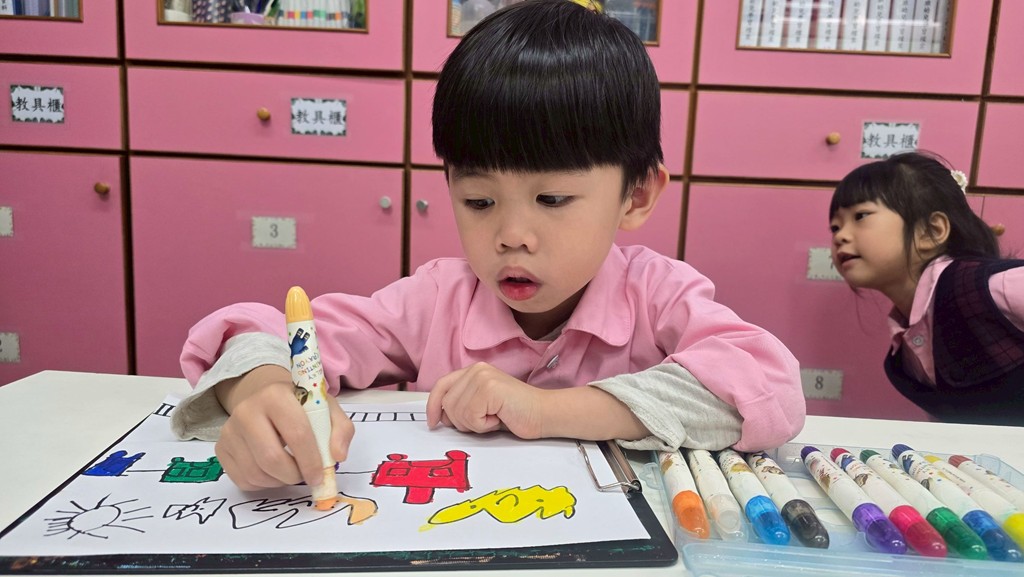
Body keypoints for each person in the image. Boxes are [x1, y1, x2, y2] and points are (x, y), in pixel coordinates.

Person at [172, 0, 805, 492]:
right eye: (479, 201)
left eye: (551, 199)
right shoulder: (436, 299)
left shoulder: (657, 294)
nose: (511, 235)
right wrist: (260, 391)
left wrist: (549, 410)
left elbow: (769, 385)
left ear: (636, 196)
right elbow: (258, 332)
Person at [829, 151, 1024, 425]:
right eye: (835, 227)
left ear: (931, 232)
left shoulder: (993, 288)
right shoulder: (901, 360)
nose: (840, 236)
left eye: (860, 216)